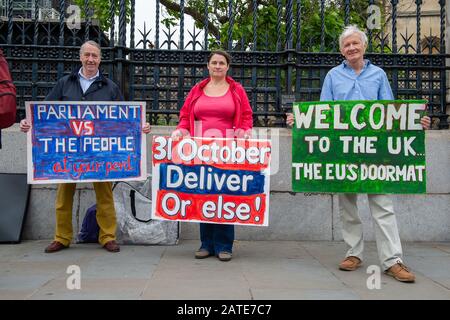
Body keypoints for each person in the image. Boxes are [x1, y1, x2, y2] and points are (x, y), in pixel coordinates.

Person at [287, 25, 431, 283]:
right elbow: (324, 113)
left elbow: (391, 111)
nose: (351, 48)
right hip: (344, 153)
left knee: (383, 205)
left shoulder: (378, 75)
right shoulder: (333, 76)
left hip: (375, 153)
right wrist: (300, 120)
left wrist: (415, 122)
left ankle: (393, 260)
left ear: (364, 46)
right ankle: (354, 253)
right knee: (348, 206)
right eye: (346, 45)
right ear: (341, 50)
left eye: (355, 43)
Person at [20, 40, 151, 253]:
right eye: (87, 55)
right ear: (81, 57)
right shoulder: (65, 83)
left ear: (100, 59)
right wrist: (29, 123)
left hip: (100, 154)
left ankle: (107, 236)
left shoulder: (110, 87)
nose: (91, 59)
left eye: (95, 56)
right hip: (68, 154)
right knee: (63, 196)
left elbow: (124, 119)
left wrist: (140, 126)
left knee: (105, 196)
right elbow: (44, 112)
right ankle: (61, 238)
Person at [171, 50, 253, 261]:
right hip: (201, 152)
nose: (217, 66)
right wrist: (181, 130)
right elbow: (185, 115)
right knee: (204, 195)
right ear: (208, 66)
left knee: (225, 196)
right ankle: (206, 244)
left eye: (221, 63)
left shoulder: (236, 90)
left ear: (227, 67)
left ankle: (224, 245)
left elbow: (246, 116)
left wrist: (244, 132)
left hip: (227, 152)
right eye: (214, 63)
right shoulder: (197, 90)